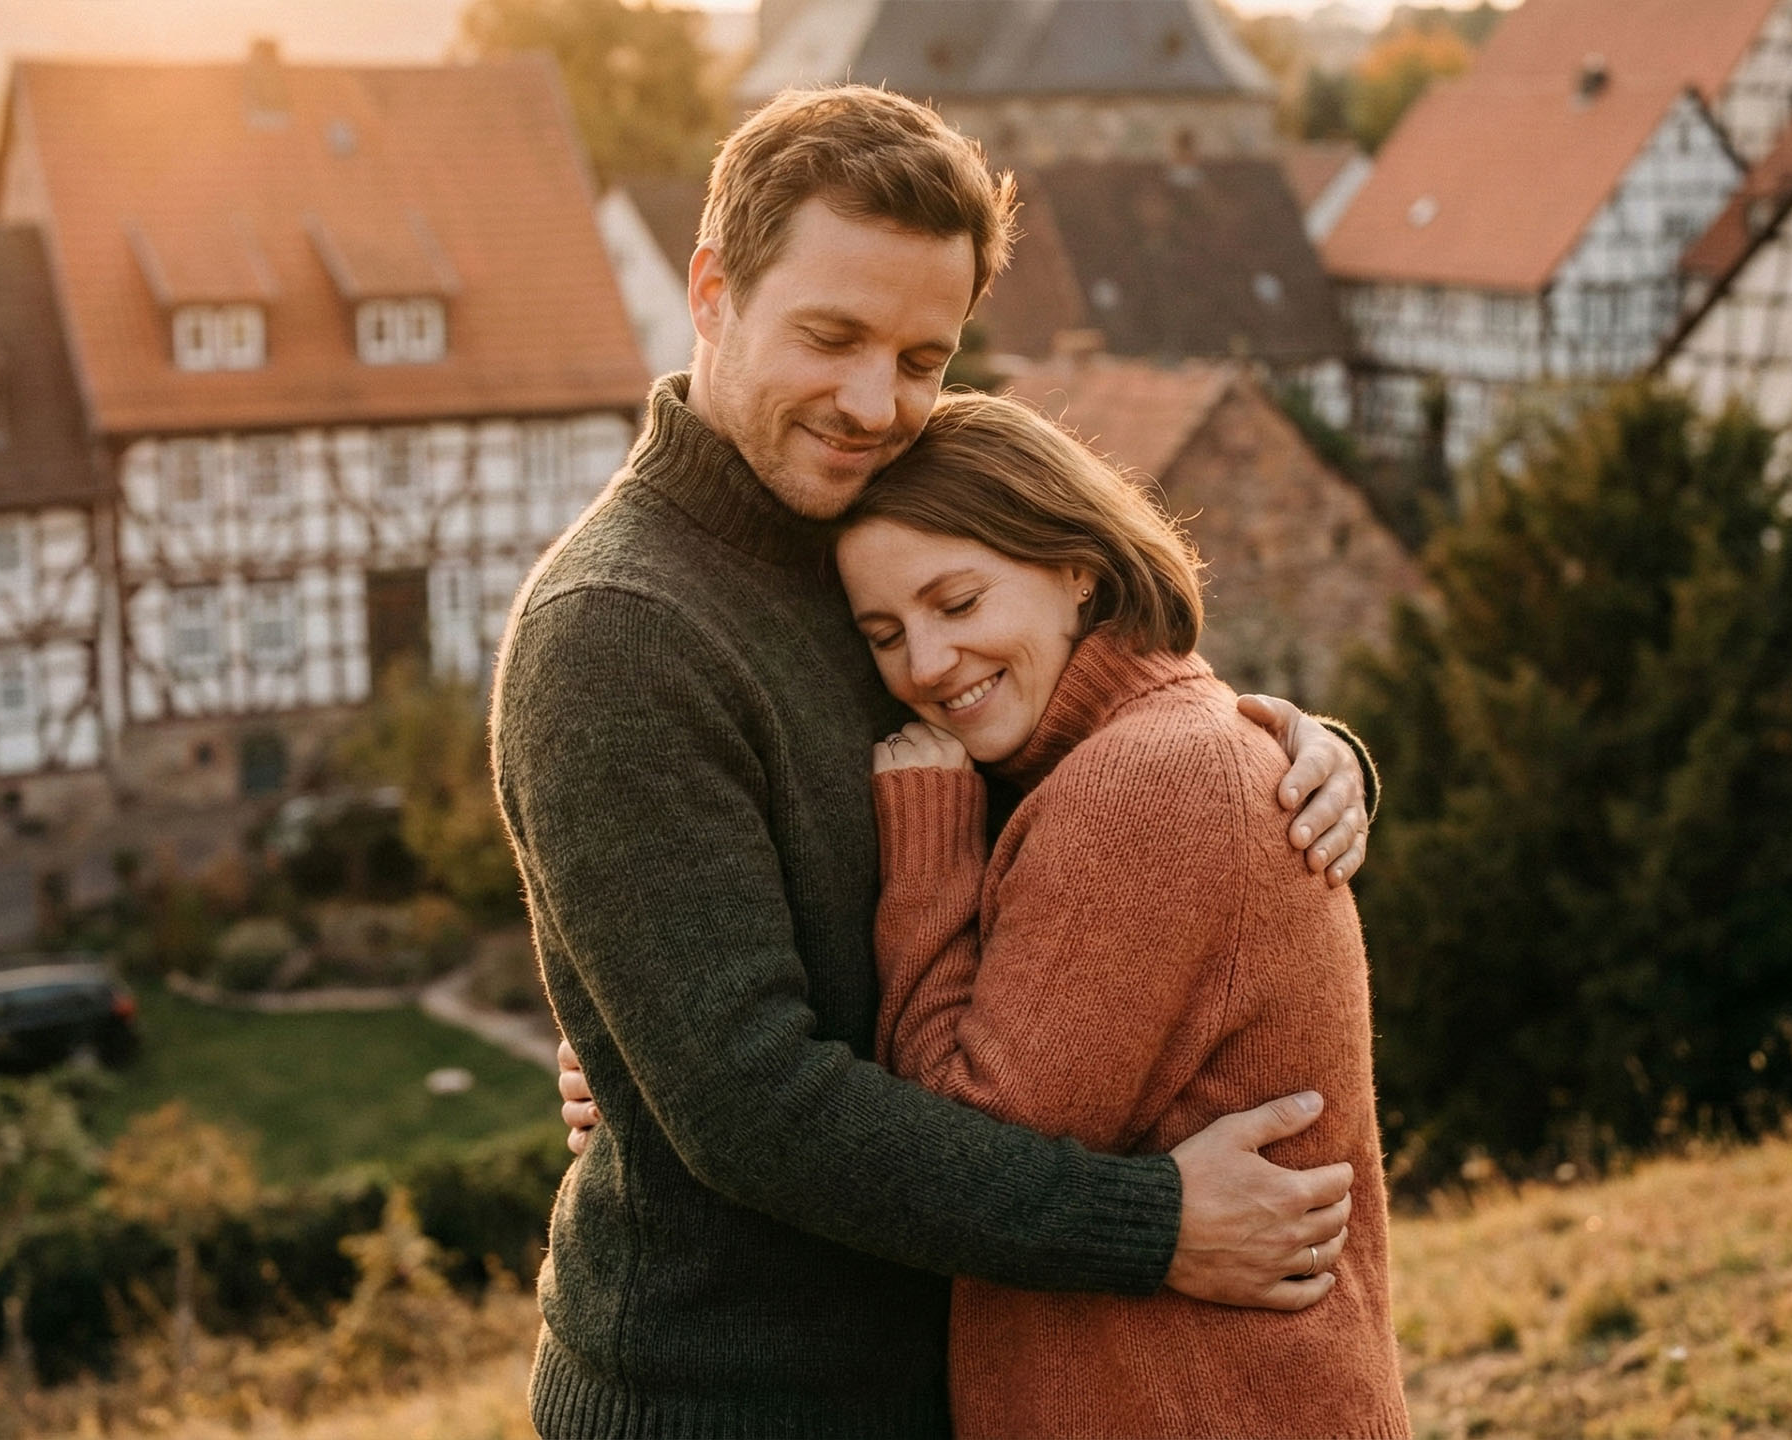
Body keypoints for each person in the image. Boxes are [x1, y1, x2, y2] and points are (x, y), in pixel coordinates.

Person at [490, 84, 1375, 1437]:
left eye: (922, 356)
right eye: (832, 336)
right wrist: (1154, 1226)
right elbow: (753, 1109)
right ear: (714, 291)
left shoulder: (861, 554)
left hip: (933, 1373)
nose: (873, 402)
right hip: (727, 1399)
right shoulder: (619, 631)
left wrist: (1290, 750)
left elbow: (1056, 755)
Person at [841, 392, 1410, 1438]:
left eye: (958, 603)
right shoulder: (1153, 749)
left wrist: (926, 865)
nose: (923, 665)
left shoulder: (1142, 783)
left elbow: (966, 1157)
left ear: (1076, 568)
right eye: (884, 634)